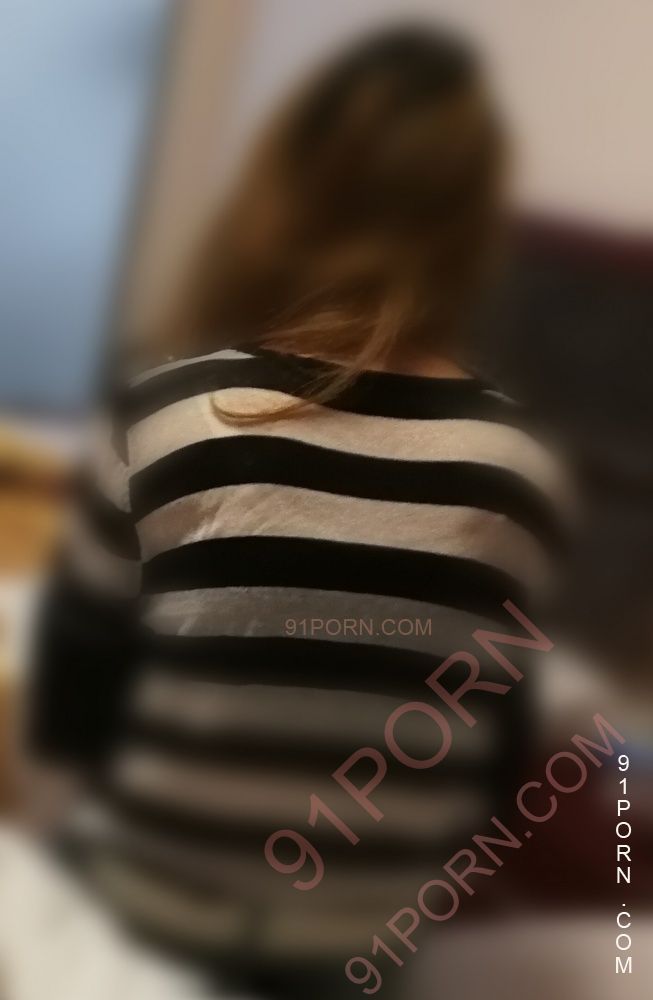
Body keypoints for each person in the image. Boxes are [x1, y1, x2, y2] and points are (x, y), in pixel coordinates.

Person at [29, 26, 565, 1000]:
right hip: (358, 952)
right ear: (470, 229)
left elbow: (72, 713)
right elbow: (486, 774)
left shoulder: (167, 414)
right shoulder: (522, 476)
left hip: (145, 922)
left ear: (281, 194)